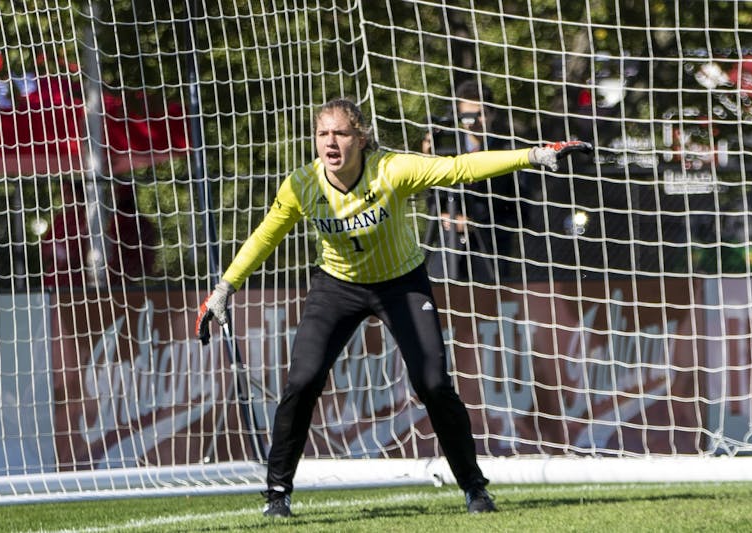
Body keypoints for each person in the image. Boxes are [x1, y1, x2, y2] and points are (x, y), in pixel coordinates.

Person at [195, 97, 591, 517]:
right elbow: (264, 237)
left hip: (402, 284)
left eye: (341, 133)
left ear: (360, 139)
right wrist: (224, 288)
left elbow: (460, 167)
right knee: (303, 381)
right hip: (337, 287)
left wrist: (533, 155)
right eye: (322, 134)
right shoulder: (301, 185)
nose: (331, 142)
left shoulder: (392, 169)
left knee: (433, 384)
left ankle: (475, 489)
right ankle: (278, 494)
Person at [422, 79, 522, 281]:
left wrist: (476, 223)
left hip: (490, 254)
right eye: (467, 116)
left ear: (492, 114)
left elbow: (520, 211)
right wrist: (427, 160)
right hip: (447, 248)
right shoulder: (447, 148)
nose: (474, 122)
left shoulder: (508, 152)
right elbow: (432, 198)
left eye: (480, 114)